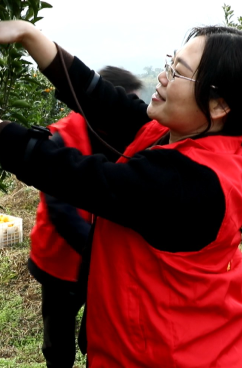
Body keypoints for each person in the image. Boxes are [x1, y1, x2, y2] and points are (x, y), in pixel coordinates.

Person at [0, 20, 242, 367]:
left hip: (169, 352)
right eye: (170, 62)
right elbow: (100, 98)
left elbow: (66, 173)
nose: (162, 75)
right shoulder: (174, 134)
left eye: (178, 72)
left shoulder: (193, 185)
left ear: (220, 105)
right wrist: (29, 36)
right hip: (169, 331)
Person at [30, 67, 142, 368]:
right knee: (58, 340)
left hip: (103, 262)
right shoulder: (61, 138)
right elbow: (61, 211)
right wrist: (101, 250)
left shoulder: (131, 140)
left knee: (98, 331)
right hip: (61, 259)